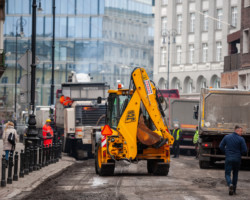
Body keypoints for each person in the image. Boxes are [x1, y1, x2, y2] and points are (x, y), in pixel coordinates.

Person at [219, 125, 247, 195]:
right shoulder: (241, 139)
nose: (241, 133)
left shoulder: (227, 137)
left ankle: (229, 184)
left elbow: (220, 146)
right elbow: (245, 150)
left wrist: (226, 152)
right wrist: (240, 154)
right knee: (235, 174)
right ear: (236, 130)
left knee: (227, 174)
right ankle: (234, 190)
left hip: (229, 158)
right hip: (237, 159)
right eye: (241, 131)